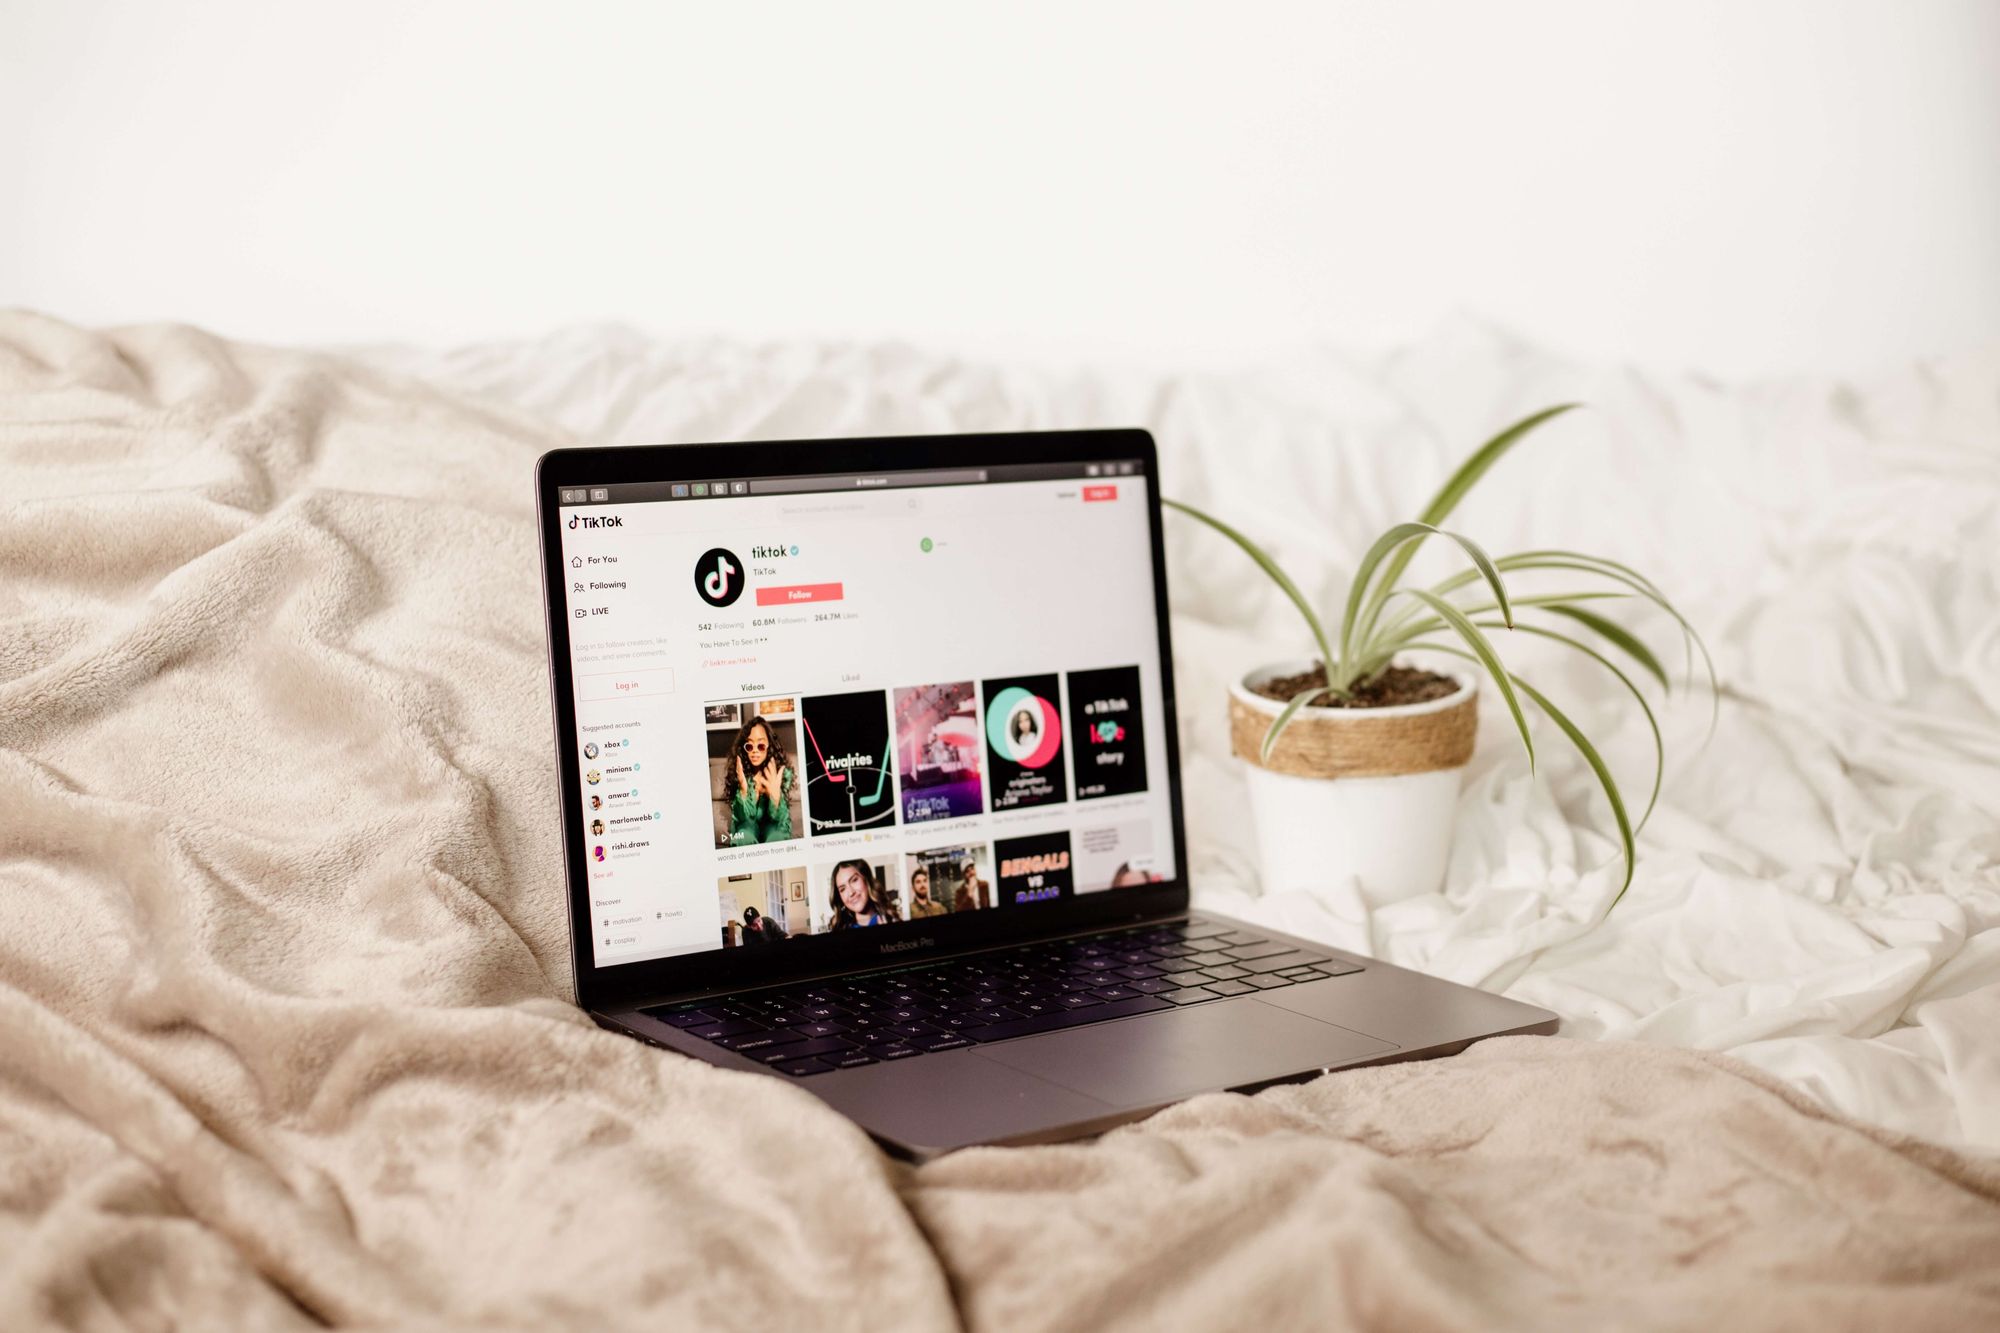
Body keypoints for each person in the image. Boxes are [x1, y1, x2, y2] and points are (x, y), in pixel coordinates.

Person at [722, 716, 795, 845]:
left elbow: (780, 818)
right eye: (749, 746)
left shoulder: (780, 773)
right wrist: (743, 789)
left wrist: (775, 797)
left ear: (769, 745)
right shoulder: (739, 773)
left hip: (774, 825)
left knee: (776, 837)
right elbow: (741, 818)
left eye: (760, 745)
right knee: (744, 836)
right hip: (747, 825)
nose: (755, 750)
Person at [826, 860, 900, 930]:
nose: (851, 893)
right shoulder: (838, 928)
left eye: (854, 880)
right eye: (842, 889)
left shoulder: (892, 918)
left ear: (866, 880)